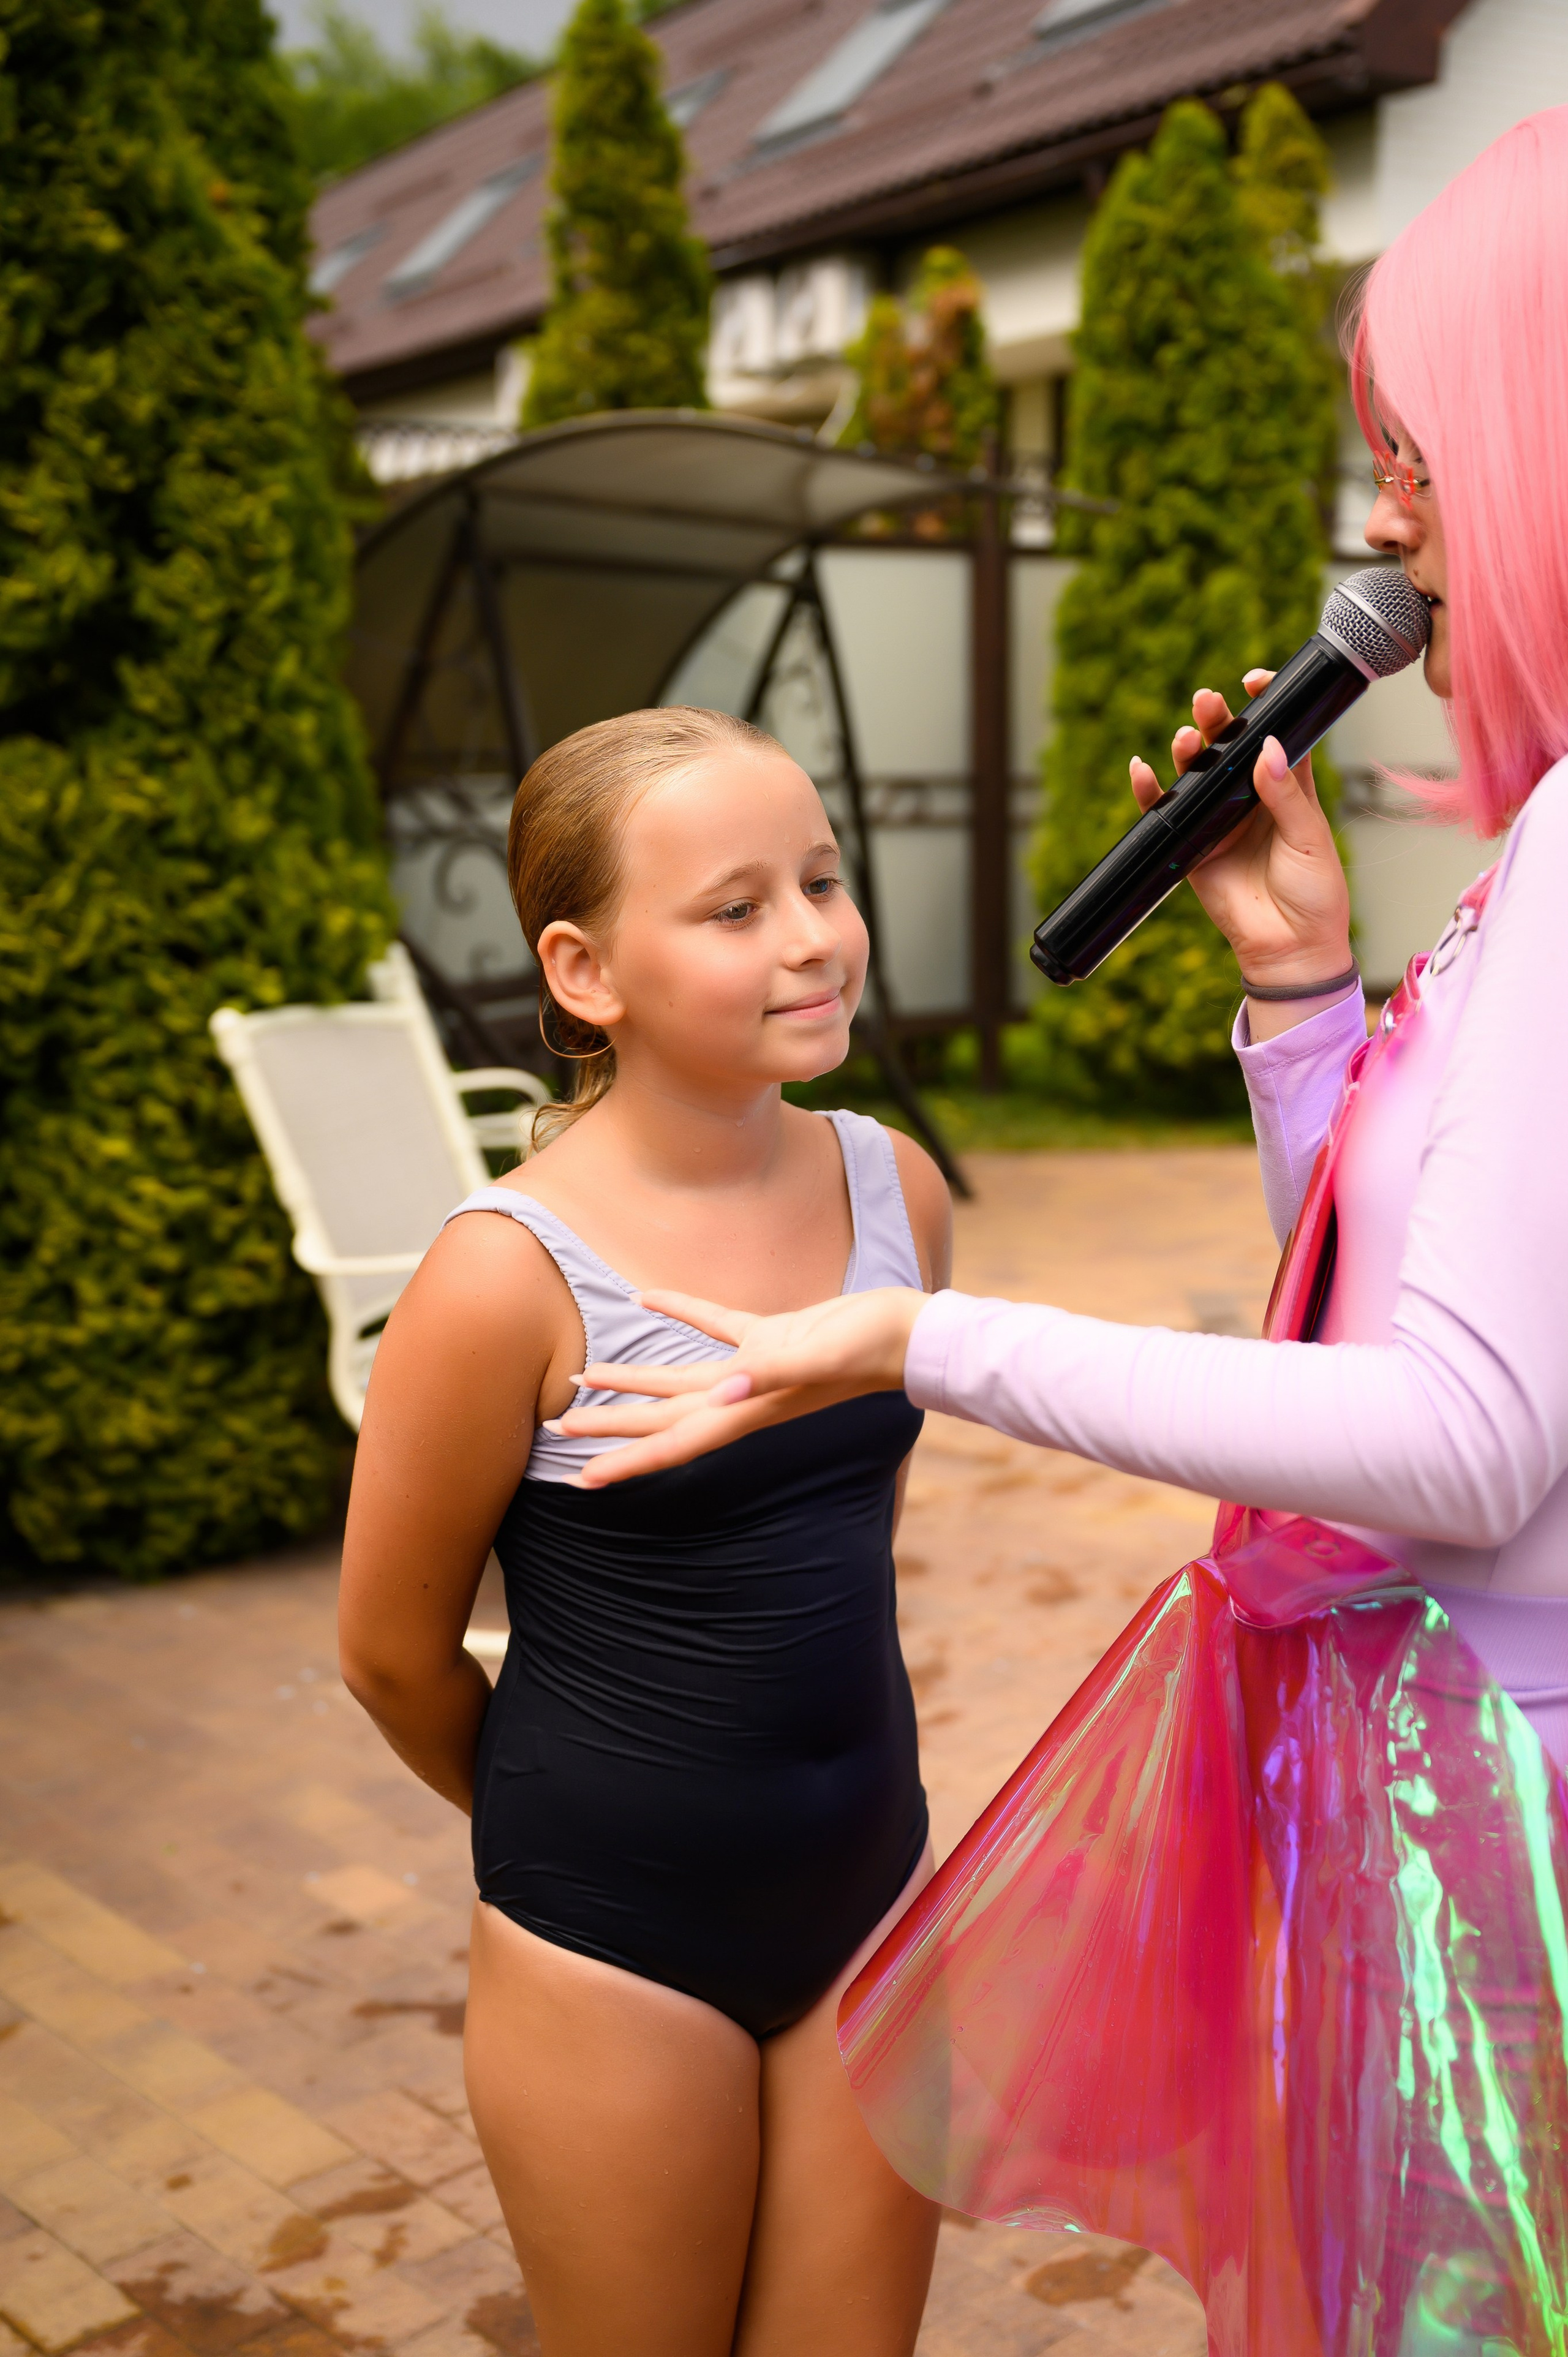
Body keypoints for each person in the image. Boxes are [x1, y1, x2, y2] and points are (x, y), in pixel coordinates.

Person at [549, 109, 1568, 2350]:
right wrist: (1304, 997)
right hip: (1447, 1803)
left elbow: (1465, 1445)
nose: (1385, 524)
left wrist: (916, 1340)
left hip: (1516, 1833)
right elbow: (1365, 1336)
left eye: (1417, 459)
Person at [336, 706, 951, 2357]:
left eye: (822, 880)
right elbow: (390, 1653)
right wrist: (597, 1826)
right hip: (610, 1943)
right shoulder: (501, 1277)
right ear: (584, 969)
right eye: (736, 907)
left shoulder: (897, 1192)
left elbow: (852, 1526)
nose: (812, 936)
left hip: (873, 1893)